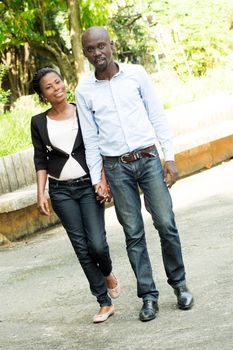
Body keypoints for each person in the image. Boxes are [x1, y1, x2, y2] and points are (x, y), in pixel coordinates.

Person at [75, 26, 194, 322]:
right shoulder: (84, 90)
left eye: (101, 46)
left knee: (166, 223)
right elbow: (90, 140)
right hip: (116, 167)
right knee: (133, 234)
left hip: (149, 158)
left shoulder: (136, 74)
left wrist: (170, 158)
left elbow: (156, 114)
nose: (97, 53)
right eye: (90, 49)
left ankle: (179, 285)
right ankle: (148, 296)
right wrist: (96, 180)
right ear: (85, 52)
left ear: (111, 45)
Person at [31, 67, 120, 323]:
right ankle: (103, 301)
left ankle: (108, 272)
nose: (56, 88)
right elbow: (40, 160)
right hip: (60, 191)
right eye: (49, 86)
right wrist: (41, 193)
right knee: (81, 248)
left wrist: (103, 181)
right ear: (42, 94)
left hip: (88, 186)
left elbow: (99, 147)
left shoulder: (83, 111)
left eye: (57, 82)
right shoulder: (38, 122)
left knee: (97, 244)